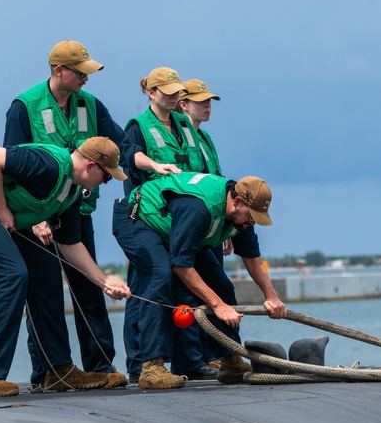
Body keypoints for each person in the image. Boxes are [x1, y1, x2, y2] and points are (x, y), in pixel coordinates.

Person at [0, 137, 131, 397]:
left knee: (47, 272)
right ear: (90, 167)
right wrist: (0, 207)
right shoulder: (49, 164)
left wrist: (104, 282)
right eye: (106, 177)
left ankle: (56, 370)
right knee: (11, 275)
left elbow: (70, 244)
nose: (104, 184)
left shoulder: (72, 192)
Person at [2, 41, 133, 390]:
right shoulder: (25, 106)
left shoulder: (90, 104)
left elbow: (122, 145)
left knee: (88, 286)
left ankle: (100, 365)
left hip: (77, 209)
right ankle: (48, 371)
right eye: (80, 72)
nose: (86, 79)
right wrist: (39, 219)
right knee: (43, 291)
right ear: (59, 70)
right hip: (35, 215)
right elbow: (12, 164)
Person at [112, 172, 287, 389]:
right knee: (160, 275)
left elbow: (252, 258)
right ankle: (151, 367)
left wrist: (271, 296)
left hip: (171, 228)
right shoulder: (198, 207)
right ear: (238, 202)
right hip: (138, 219)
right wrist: (217, 305)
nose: (252, 222)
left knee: (221, 285)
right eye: (251, 216)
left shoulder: (241, 218)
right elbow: (181, 266)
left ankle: (230, 361)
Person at [119, 67, 205, 382]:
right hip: (149, 216)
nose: (173, 97)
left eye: (176, 92)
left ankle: (189, 360)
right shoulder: (138, 126)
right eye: (166, 92)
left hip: (180, 219)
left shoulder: (184, 124)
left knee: (184, 287)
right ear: (151, 92)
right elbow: (130, 157)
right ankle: (140, 364)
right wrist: (155, 164)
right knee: (146, 287)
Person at [177, 78, 230, 369]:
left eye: (209, 101)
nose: (208, 106)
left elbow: (219, 182)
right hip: (191, 225)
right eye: (201, 101)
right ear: (183, 104)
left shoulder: (205, 138)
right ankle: (193, 357)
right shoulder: (180, 137)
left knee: (216, 285)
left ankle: (214, 354)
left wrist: (227, 228)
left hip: (211, 226)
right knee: (191, 290)